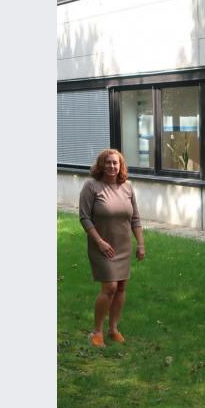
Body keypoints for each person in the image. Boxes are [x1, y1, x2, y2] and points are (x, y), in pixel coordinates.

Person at [79, 149, 146, 348]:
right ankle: (97, 331)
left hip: (123, 245)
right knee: (110, 287)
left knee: (122, 287)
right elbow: (84, 217)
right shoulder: (91, 186)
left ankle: (113, 328)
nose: (112, 166)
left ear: (121, 166)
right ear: (101, 164)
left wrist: (140, 244)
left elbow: (135, 219)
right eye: (108, 162)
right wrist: (99, 241)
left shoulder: (127, 187)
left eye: (115, 163)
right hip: (102, 245)